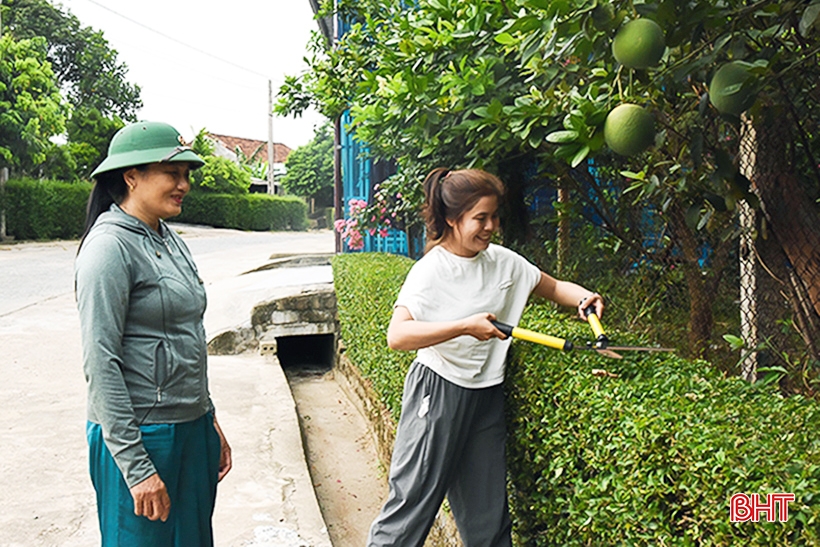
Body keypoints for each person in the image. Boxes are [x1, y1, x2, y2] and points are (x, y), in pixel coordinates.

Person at [367, 168, 604, 547]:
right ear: (451, 219)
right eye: (480, 218)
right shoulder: (431, 271)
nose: (491, 226)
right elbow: (398, 335)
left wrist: (584, 298)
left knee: (488, 520)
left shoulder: (504, 262)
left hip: (486, 395)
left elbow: (554, 287)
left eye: (495, 216)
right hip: (439, 391)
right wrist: (463, 326)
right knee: (410, 511)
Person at [75, 121, 232, 546]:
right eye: (172, 173)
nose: (183, 184)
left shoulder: (169, 238)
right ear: (131, 177)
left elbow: (188, 338)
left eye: (186, 175)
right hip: (143, 436)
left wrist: (208, 418)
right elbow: (100, 361)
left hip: (190, 428)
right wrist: (137, 467)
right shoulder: (109, 248)